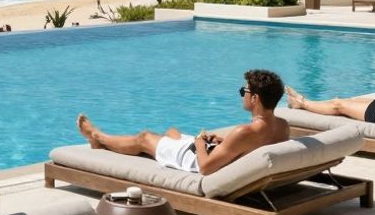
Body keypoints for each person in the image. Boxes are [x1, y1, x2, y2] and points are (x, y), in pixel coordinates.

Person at [75, 69, 290, 175]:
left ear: (254, 99)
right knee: (172, 132)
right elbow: (250, 149)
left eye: (244, 91)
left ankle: (97, 136)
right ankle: (103, 141)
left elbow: (205, 168)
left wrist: (199, 142)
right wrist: (223, 142)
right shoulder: (282, 127)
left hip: (196, 161)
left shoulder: (245, 131)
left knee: (144, 138)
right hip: (219, 153)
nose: (242, 94)